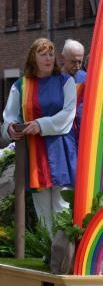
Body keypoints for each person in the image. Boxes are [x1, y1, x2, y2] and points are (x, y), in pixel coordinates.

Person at [2, 38, 77, 235]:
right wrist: (9, 128)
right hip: (34, 152)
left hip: (60, 150)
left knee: (62, 205)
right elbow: (9, 116)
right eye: (43, 54)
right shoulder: (21, 85)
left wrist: (39, 124)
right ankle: (47, 253)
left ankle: (63, 255)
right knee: (42, 209)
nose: (48, 58)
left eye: (51, 54)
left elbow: (68, 115)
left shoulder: (66, 82)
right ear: (33, 58)